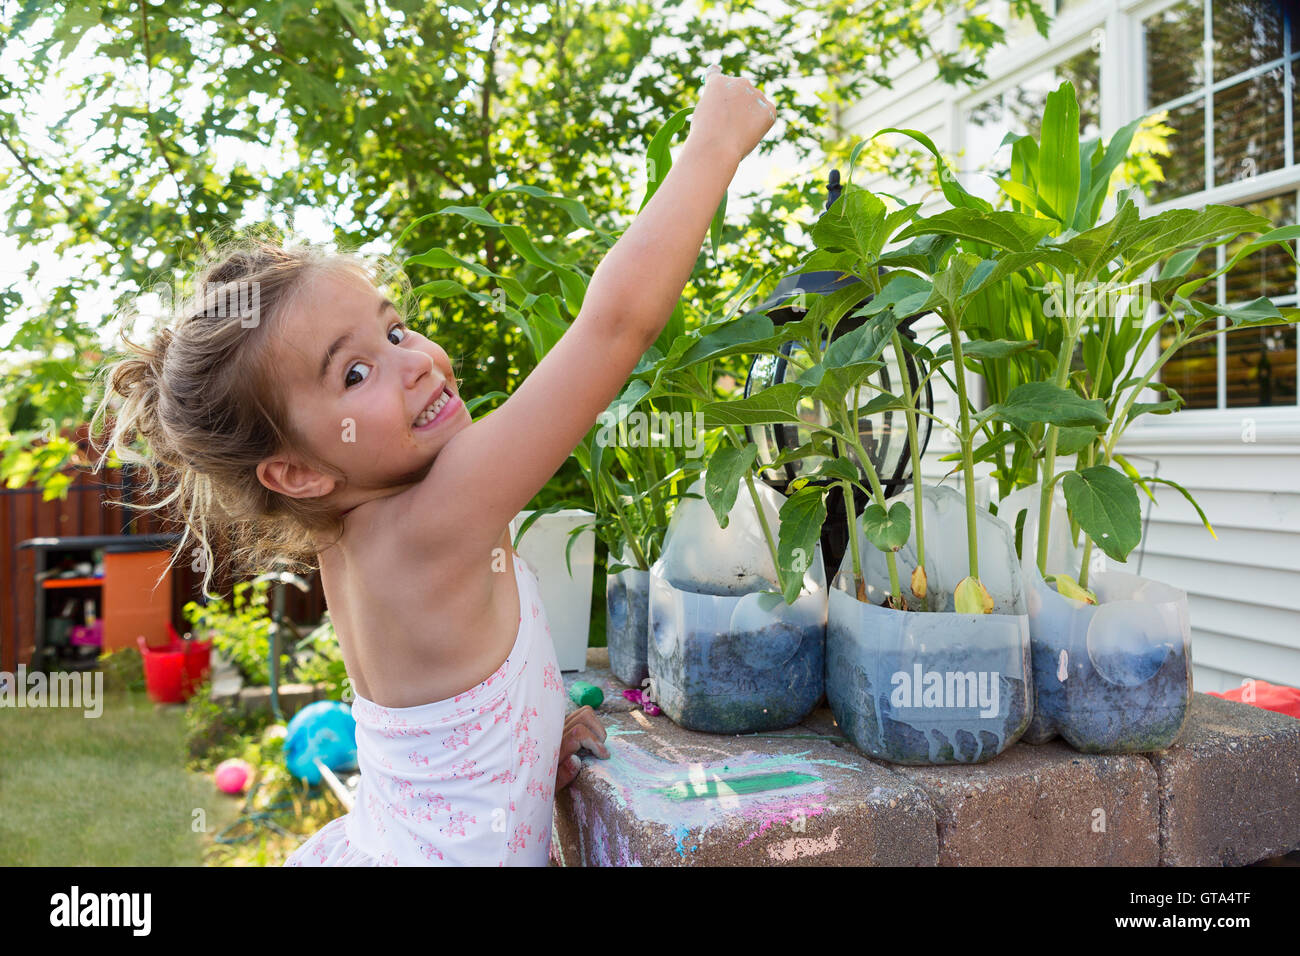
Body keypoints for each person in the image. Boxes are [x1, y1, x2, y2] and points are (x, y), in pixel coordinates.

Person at [90, 64, 777, 865]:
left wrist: (526, 746)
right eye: (354, 374)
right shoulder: (433, 523)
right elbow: (613, 328)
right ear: (301, 471)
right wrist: (712, 147)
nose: (411, 362)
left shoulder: (362, 533)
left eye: (394, 330)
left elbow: (445, 731)